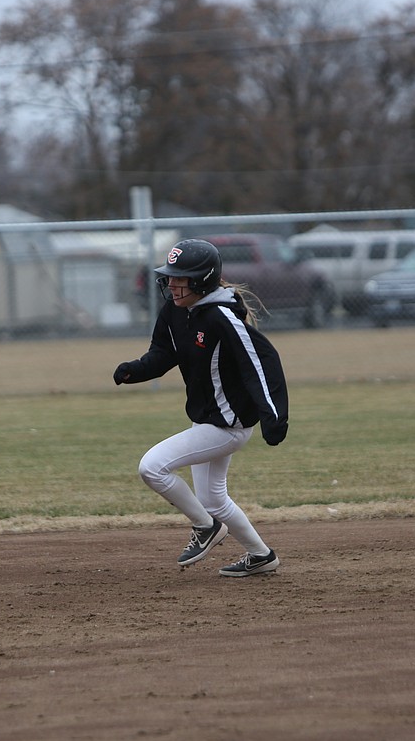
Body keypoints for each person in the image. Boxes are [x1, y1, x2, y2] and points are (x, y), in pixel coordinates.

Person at [113, 238, 289, 577]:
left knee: (152, 467)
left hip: (228, 426)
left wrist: (274, 415)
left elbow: (261, 362)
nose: (173, 284)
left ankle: (206, 528)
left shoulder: (222, 316)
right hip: (207, 421)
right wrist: (137, 368)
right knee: (213, 499)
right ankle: (261, 555)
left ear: (204, 280)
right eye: (171, 277)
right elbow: (163, 353)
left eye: (182, 278)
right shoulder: (175, 312)